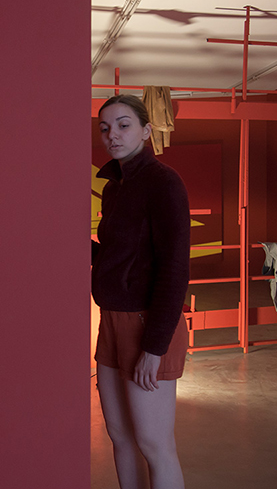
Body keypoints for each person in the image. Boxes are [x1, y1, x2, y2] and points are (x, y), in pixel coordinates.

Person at [91, 95, 190, 489]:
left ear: (147, 131)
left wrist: (154, 347)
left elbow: (174, 269)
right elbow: (116, 256)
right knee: (120, 437)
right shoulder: (114, 187)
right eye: (105, 128)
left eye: (123, 125)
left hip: (147, 325)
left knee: (154, 444)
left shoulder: (164, 182)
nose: (112, 135)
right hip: (111, 322)